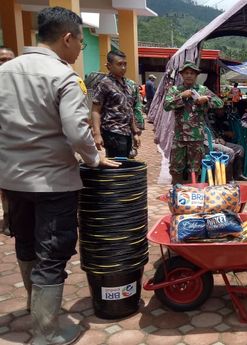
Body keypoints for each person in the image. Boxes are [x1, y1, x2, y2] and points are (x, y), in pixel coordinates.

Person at [0, 7, 120, 344]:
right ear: (67, 38)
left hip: (12, 180)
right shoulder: (63, 76)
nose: (78, 50)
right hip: (53, 182)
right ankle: (46, 332)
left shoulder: (5, 71)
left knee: (25, 243)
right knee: (53, 252)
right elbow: (77, 132)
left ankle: (32, 307)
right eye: (81, 44)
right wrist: (95, 159)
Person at [164, 61, 224, 184]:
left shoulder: (202, 90)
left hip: (196, 137)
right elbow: (166, 106)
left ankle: (193, 191)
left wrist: (206, 99)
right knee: (175, 168)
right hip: (179, 136)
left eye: (192, 73)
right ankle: (177, 191)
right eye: (186, 73)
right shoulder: (175, 90)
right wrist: (181, 96)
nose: (189, 75)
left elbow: (220, 103)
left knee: (195, 168)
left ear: (196, 75)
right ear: (181, 75)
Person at [91, 50, 143, 157]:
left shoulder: (128, 85)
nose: (123, 67)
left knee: (126, 165)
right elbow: (95, 110)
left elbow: (129, 110)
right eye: (119, 64)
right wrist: (97, 134)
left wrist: (135, 133)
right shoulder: (104, 84)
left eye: (125, 64)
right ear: (109, 66)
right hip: (112, 133)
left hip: (126, 133)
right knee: (117, 168)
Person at [208, 107, 247, 181]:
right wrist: (221, 135)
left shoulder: (226, 117)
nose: (220, 111)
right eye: (218, 109)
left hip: (222, 141)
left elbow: (229, 133)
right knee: (229, 151)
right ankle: (228, 178)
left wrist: (226, 134)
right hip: (212, 142)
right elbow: (211, 132)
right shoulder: (211, 117)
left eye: (222, 109)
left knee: (240, 149)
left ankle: (238, 174)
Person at [0, 46, 15, 237]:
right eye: (2, 59)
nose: (6, 63)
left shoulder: (20, 85)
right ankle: (8, 218)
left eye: (9, 59)